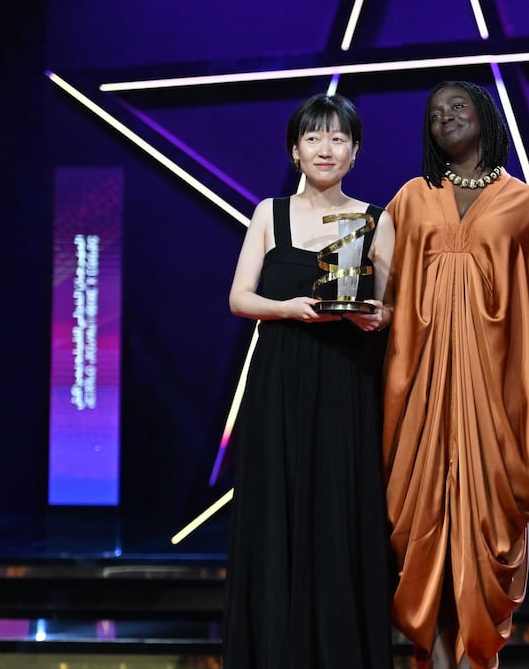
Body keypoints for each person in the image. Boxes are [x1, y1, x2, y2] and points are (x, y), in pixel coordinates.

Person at [382, 80, 529, 669]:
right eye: (434, 114)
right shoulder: (411, 199)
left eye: (457, 106)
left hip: (495, 403)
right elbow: (382, 290)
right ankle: (440, 658)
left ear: (485, 116)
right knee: (424, 531)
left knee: (486, 533)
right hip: (421, 398)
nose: (445, 118)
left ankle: (477, 660)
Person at [223, 93, 394, 668]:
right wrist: (289, 309)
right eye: (314, 137)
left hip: (347, 382)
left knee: (340, 515)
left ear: (355, 151)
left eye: (338, 138)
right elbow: (239, 297)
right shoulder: (268, 214)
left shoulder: (375, 219)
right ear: (295, 151)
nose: (326, 148)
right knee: (276, 511)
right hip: (279, 383)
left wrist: (375, 316)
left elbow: (390, 308)